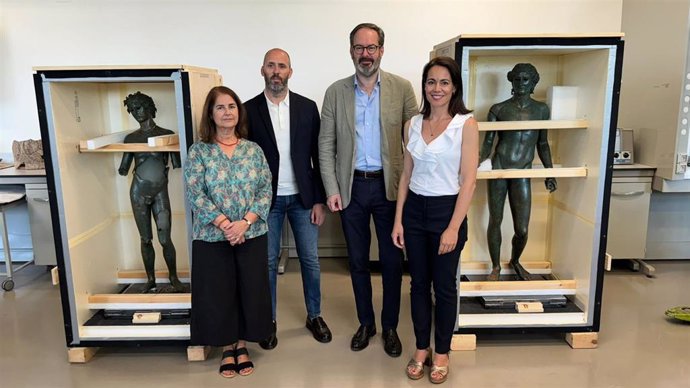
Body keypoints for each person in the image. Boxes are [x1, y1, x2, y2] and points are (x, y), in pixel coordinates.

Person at [319, 22, 418, 357]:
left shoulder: (402, 89)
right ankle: (367, 323)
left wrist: (412, 190)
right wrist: (332, 187)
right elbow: (326, 144)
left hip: (390, 189)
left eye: (371, 47)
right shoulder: (335, 92)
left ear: (381, 51)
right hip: (352, 190)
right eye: (359, 48)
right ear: (351, 51)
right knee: (358, 261)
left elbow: (414, 143)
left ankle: (389, 326)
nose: (365, 54)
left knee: (392, 261)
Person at [392, 56, 478, 384]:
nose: (436, 89)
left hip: (446, 212)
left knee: (443, 287)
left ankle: (442, 352)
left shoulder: (465, 125)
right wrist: (399, 220)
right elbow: (406, 175)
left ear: (454, 86)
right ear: (424, 86)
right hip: (414, 211)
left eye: (444, 82)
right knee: (417, 286)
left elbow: (469, 180)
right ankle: (421, 348)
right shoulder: (412, 124)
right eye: (431, 82)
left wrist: (454, 227)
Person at [245, 48, 332, 349]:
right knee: (267, 263)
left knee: (310, 260)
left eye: (282, 66)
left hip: (303, 198)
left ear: (290, 72)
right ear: (262, 70)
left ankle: (315, 315)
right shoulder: (248, 110)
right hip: (264, 202)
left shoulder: (308, 108)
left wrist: (319, 199)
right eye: (271, 65)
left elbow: (319, 156)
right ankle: (267, 321)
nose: (276, 71)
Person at [184, 86, 272, 378]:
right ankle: (226, 347)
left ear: (239, 112)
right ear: (210, 113)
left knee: (249, 288)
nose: (227, 112)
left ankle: (243, 344)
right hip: (212, 236)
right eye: (220, 107)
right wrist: (225, 224)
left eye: (232, 106)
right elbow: (195, 193)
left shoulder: (253, 150)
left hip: (251, 232)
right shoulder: (199, 152)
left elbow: (265, 189)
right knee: (219, 292)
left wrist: (244, 223)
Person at [479, 63, 557, 281]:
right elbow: (487, 143)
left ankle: (515, 260)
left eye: (525, 79)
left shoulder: (541, 110)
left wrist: (550, 173)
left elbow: (543, 144)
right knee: (495, 219)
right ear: (511, 81)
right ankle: (495, 266)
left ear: (533, 82)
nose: (521, 83)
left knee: (521, 227)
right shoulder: (499, 109)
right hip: (499, 168)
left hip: (523, 171)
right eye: (517, 79)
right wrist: (474, 166)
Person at [118, 91, 184, 293]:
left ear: (149, 107)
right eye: (132, 110)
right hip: (138, 192)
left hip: (159, 192)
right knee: (145, 238)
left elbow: (177, 163)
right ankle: (150, 279)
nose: (136, 113)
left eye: (139, 107)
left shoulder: (166, 134)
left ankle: (173, 278)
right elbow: (124, 168)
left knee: (165, 239)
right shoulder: (131, 139)